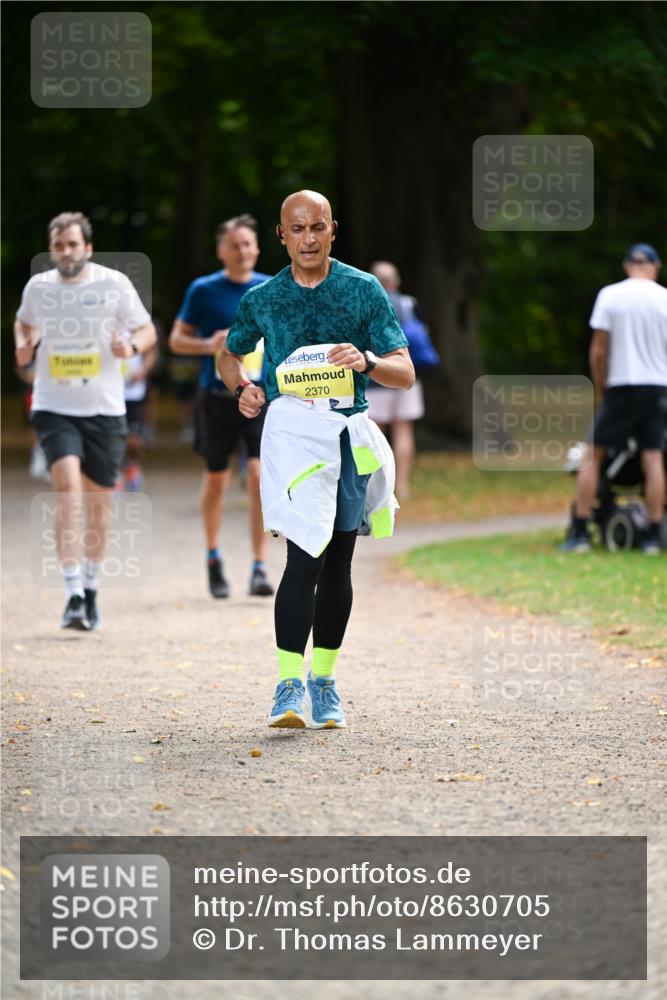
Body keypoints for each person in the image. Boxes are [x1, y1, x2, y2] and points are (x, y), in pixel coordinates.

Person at [219, 190, 415, 729]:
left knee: (339, 563)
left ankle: (323, 683)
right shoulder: (265, 298)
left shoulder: (362, 290)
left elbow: (404, 370)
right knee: (304, 555)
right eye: (297, 229)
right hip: (292, 435)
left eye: (317, 227)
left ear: (333, 230)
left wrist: (370, 359)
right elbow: (230, 352)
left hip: (348, 434)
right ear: (281, 235)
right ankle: (287, 686)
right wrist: (243, 385)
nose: (308, 238)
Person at [14, 211, 157, 629]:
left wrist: (129, 345)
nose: (65, 252)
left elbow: (146, 331)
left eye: (73, 244)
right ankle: (72, 592)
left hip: (105, 410)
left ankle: (92, 587)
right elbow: (23, 323)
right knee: (67, 492)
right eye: (58, 245)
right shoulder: (39, 288)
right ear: (51, 249)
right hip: (54, 406)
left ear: (87, 248)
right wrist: (24, 346)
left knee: (98, 506)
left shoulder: (113, 284)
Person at [169, 215, 274, 598]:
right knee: (217, 479)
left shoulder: (270, 287)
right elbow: (176, 341)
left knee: (260, 478)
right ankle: (213, 557)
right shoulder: (204, 290)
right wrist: (209, 346)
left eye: (248, 244)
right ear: (221, 251)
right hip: (215, 397)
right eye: (235, 245)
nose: (242, 251)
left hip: (260, 398)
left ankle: (260, 566)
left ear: (258, 248)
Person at [563, 243, 667, 555]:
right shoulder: (664, 298)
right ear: (655, 266)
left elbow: (598, 349)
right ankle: (652, 534)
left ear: (626, 266)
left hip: (621, 385)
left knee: (592, 455)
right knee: (653, 457)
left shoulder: (611, 295)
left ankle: (580, 531)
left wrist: (601, 386)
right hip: (658, 388)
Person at [366, 261, 428, 498]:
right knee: (403, 430)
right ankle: (402, 485)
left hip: (375, 377)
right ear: (396, 281)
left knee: (375, 434)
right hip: (405, 377)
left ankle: (380, 485)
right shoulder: (408, 303)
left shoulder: (367, 305)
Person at [120, 336, 158, 491]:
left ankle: (132, 466)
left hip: (134, 393)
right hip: (110, 394)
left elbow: (151, 349)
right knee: (112, 438)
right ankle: (116, 474)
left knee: (133, 441)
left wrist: (144, 369)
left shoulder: (137, 324)